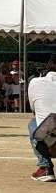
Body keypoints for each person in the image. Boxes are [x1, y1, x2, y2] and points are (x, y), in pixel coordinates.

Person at [27, 54, 56, 182]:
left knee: (34, 122)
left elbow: (34, 111)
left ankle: (45, 167)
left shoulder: (35, 82)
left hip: (50, 141)